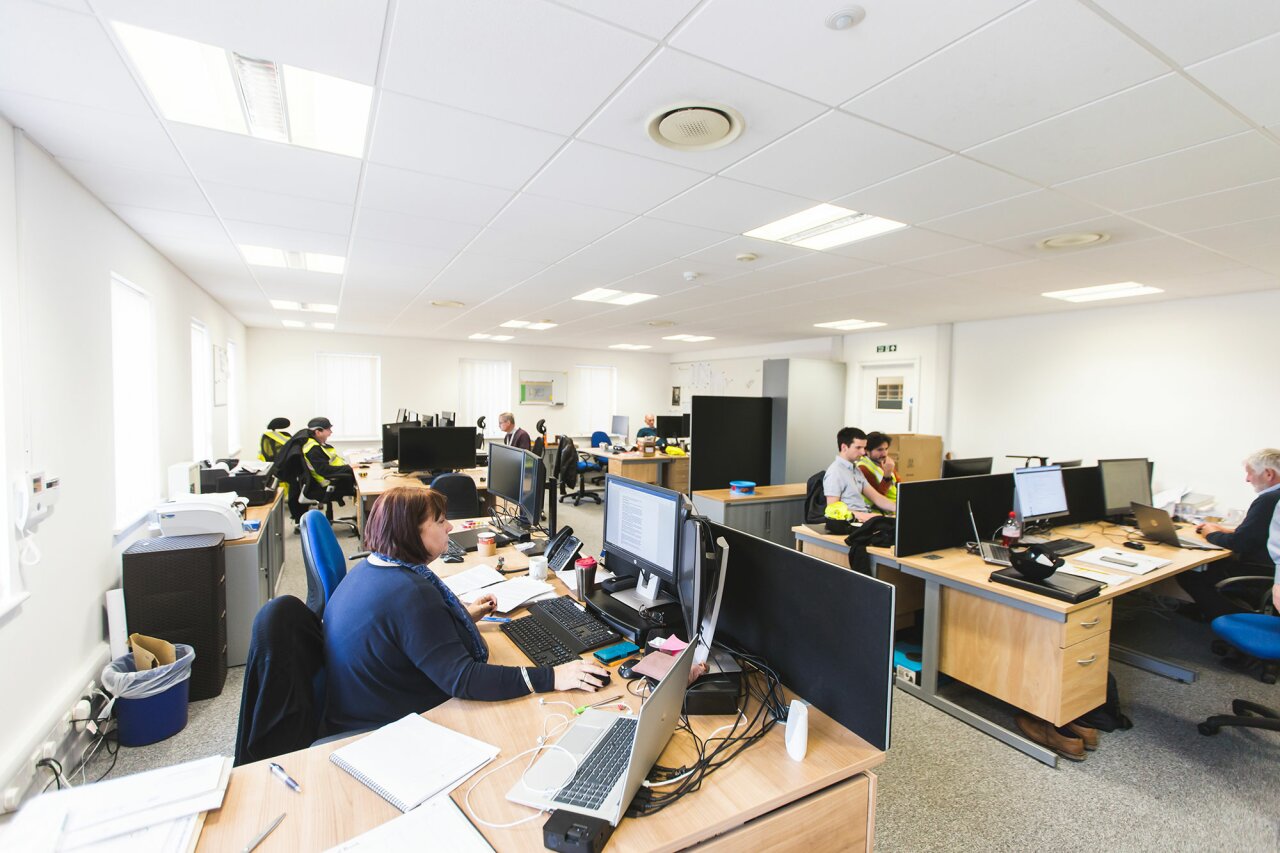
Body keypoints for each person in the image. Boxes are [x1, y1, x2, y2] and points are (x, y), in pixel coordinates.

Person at [323, 486, 608, 733]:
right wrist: (554, 676)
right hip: (385, 725)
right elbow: (463, 679)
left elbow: (405, 634)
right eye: (441, 521)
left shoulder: (374, 568)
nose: (449, 527)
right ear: (412, 532)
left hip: (363, 699)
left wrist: (465, 616)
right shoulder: (410, 594)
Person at [1177, 448, 1280, 621]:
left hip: (1262, 572)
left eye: (1250, 473)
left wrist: (1210, 533)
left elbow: (1239, 543)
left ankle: (1235, 621)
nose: (1247, 479)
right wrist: (1228, 530)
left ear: (1268, 474)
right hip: (1270, 568)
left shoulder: (1269, 500)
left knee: (1190, 573)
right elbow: (1262, 532)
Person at [824, 427, 896, 521]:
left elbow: (877, 498)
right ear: (844, 447)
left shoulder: (855, 470)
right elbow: (833, 511)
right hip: (853, 522)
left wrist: (899, 509)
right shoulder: (835, 472)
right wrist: (870, 517)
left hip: (865, 517)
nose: (863, 452)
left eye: (864, 447)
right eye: (858, 447)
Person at [302, 417, 357, 503]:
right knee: (363, 482)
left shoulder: (315, 444)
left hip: (334, 478)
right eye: (328, 429)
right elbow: (324, 470)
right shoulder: (313, 449)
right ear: (318, 432)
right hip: (328, 483)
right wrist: (348, 467)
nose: (331, 432)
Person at [858, 432, 899, 503]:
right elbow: (877, 500)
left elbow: (900, 486)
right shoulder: (863, 468)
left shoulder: (886, 463)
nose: (884, 454)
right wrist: (887, 476)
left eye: (886, 449)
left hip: (896, 504)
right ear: (867, 451)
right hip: (884, 510)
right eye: (879, 450)